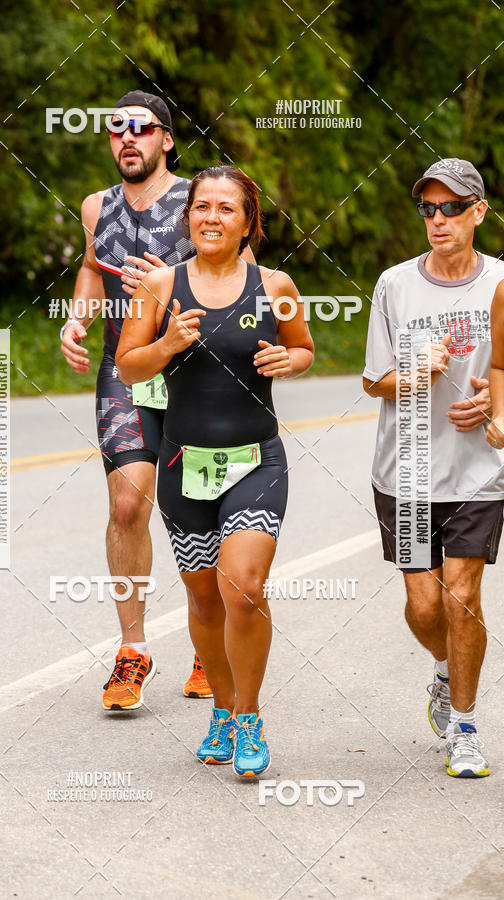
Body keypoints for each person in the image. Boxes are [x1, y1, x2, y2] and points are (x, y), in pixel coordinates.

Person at [116, 164, 314, 776]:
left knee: (243, 588)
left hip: (256, 460)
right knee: (204, 601)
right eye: (202, 206)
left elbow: (304, 348)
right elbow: (127, 367)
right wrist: (167, 344)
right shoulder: (161, 286)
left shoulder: (275, 284)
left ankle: (249, 716)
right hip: (184, 465)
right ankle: (222, 711)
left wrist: (289, 361)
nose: (211, 217)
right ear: (189, 216)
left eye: (227, 208)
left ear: (247, 223)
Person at [60, 90, 212, 709]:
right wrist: (77, 318)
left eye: (141, 128)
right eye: (117, 127)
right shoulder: (96, 206)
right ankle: (133, 650)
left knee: (197, 509)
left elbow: (244, 275)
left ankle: (209, 642)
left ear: (166, 139)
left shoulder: (201, 200)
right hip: (124, 369)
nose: (127, 137)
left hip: (195, 371)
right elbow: (92, 269)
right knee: (127, 506)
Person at [363, 158, 504, 777]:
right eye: (428, 209)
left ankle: (466, 729)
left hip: (478, 471)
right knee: (425, 607)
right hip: (409, 473)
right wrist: (415, 375)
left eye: (452, 208)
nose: (438, 219)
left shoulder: (500, 282)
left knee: (462, 595)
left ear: (479, 212)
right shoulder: (395, 285)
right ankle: (447, 673)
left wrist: (495, 403)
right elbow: (375, 381)